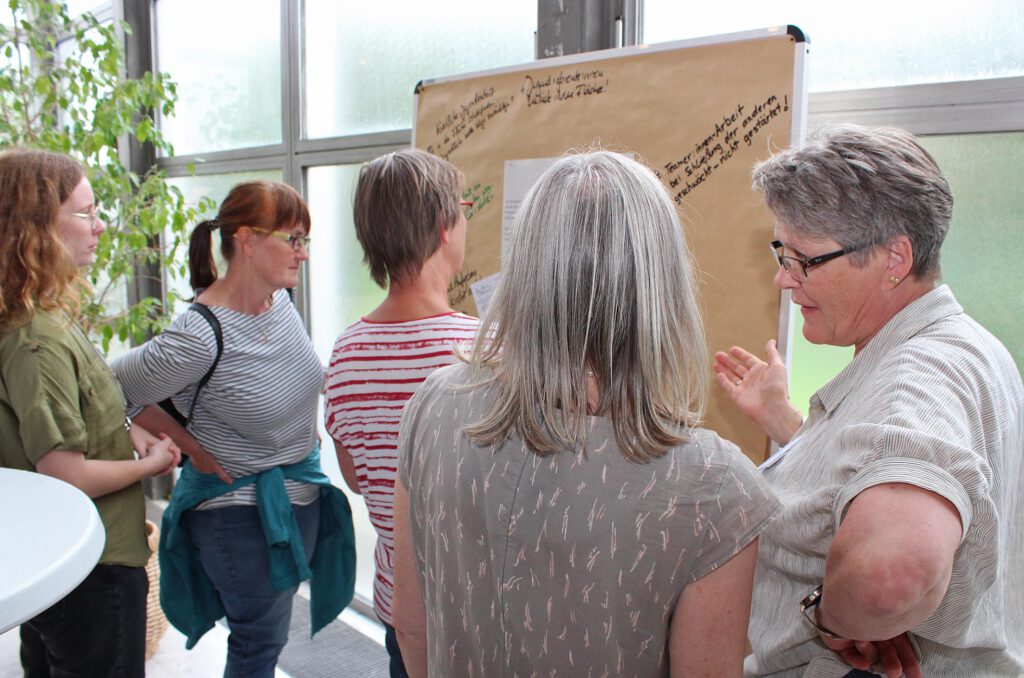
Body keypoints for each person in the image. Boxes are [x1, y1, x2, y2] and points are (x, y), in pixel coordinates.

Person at [392, 150, 780, 678]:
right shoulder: (713, 488)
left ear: (524, 268)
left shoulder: (433, 405)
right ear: (661, 283)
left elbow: (412, 627)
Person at [712, 125, 1023, 677]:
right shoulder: (965, 345)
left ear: (894, 258)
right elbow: (871, 466)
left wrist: (832, 621)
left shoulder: (920, 376)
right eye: (782, 252)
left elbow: (891, 575)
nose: (785, 279)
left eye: (805, 260)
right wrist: (786, 423)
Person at [111, 180, 355, 678]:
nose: (303, 254)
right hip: (239, 513)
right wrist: (189, 447)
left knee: (266, 634)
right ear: (246, 241)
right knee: (259, 642)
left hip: (296, 499)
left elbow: (293, 377)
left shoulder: (280, 303)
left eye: (305, 241)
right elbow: (112, 384)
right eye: (293, 239)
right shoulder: (200, 335)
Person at [0, 148, 179, 677]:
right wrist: (150, 466)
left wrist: (128, 431)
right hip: (92, 572)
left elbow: (68, 418)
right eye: (85, 213)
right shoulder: (36, 339)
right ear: (34, 228)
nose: (99, 226)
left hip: (65, 557)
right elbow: (66, 472)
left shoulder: (41, 311)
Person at [323, 149, 478, 677]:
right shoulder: (488, 350)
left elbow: (356, 477)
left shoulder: (345, 352)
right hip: (479, 608)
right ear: (443, 227)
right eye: (463, 207)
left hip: (399, 604)